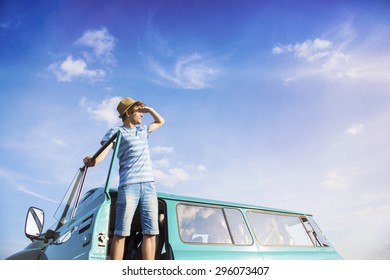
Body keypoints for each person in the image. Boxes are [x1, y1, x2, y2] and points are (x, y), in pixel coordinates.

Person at [83, 97, 165, 260]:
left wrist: (149, 110)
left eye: (143, 112)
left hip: (149, 186)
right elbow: (103, 153)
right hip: (129, 186)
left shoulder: (142, 130)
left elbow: (160, 121)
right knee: (121, 232)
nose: (142, 115)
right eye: (138, 111)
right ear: (128, 113)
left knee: (151, 231)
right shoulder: (116, 132)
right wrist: (92, 161)